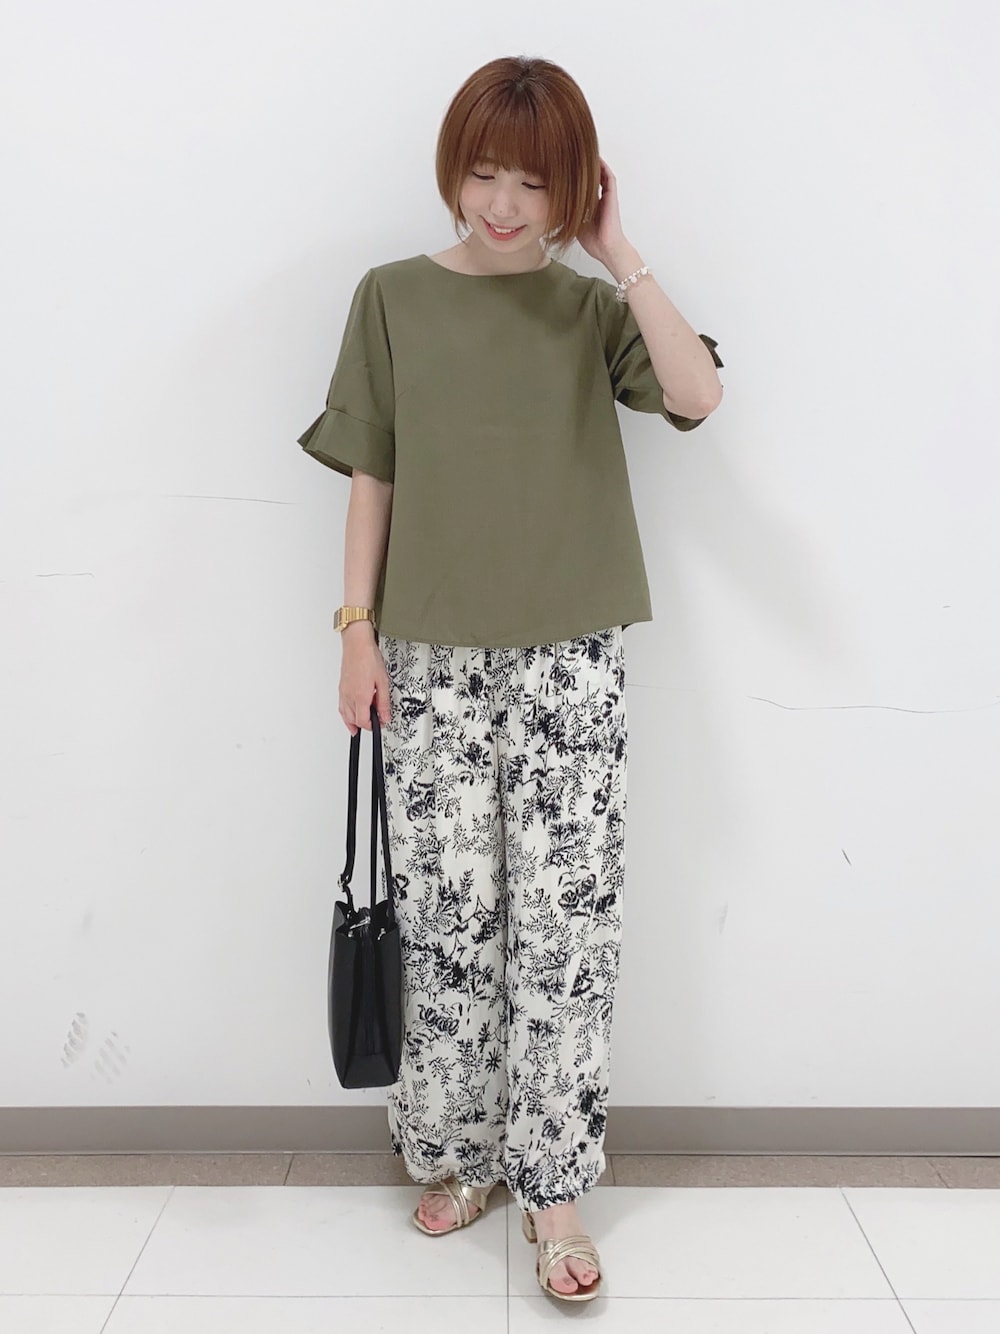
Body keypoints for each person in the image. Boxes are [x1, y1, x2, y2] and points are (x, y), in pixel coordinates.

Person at [296, 54, 724, 1302]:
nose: (500, 204)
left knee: (563, 928)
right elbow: (372, 474)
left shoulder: (590, 310)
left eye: (532, 183)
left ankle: (556, 1186)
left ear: (571, 189)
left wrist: (617, 247)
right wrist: (355, 630)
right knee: (446, 922)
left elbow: (697, 392)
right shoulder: (390, 298)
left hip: (570, 657)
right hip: (427, 654)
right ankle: (459, 1150)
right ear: (453, 170)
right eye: (483, 173)